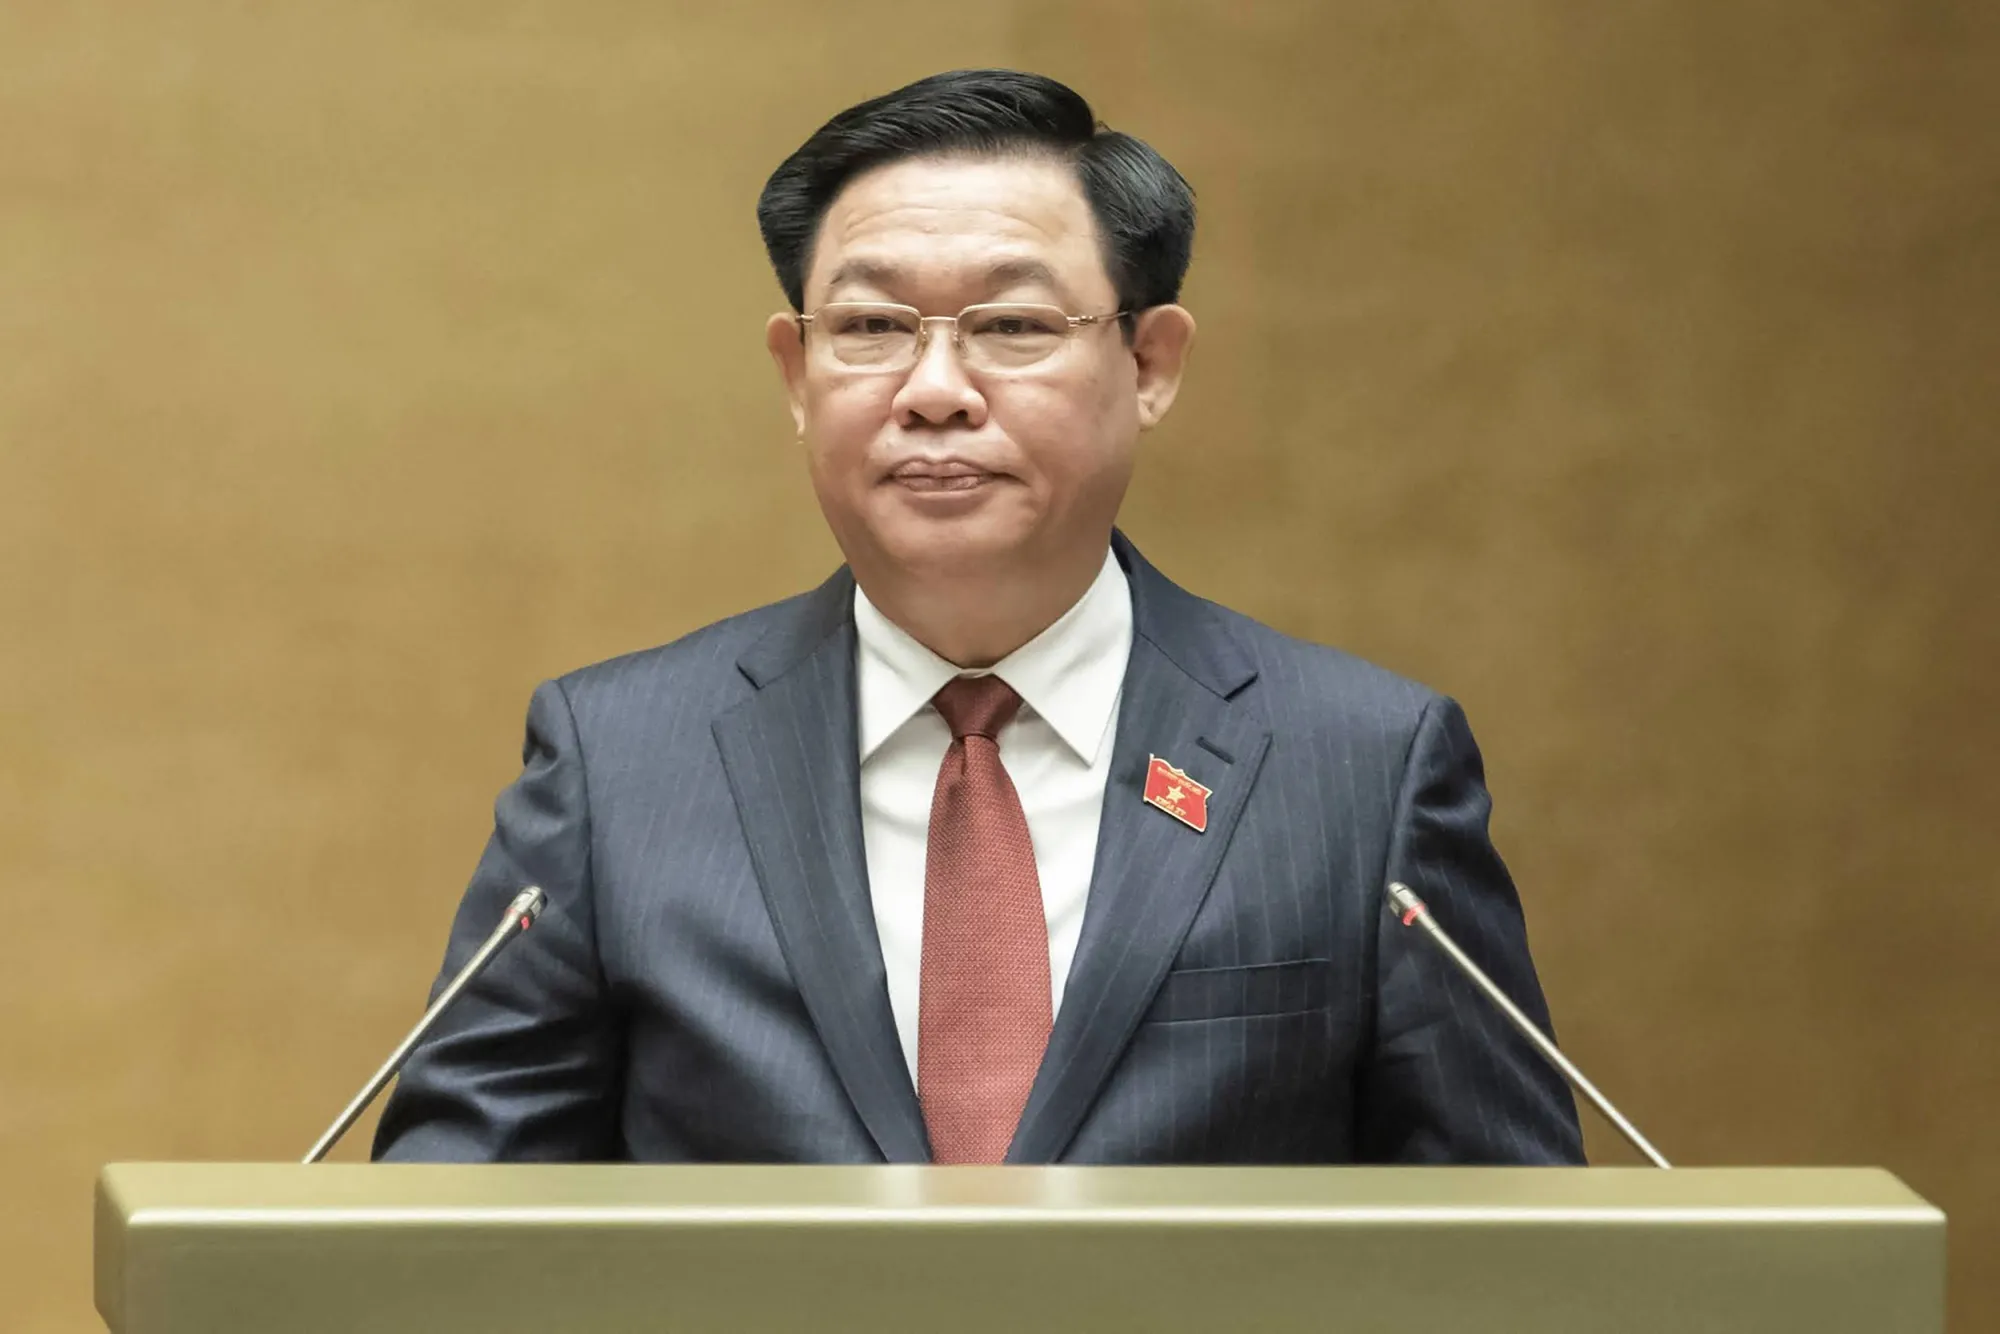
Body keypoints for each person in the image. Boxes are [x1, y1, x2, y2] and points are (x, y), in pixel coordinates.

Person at [373, 69, 1583, 1166]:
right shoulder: (621, 762)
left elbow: (1512, 1253)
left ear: (1150, 364)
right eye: (869, 328)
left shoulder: (1361, 767)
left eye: (1012, 326)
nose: (935, 390)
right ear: (795, 374)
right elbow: (449, 1237)